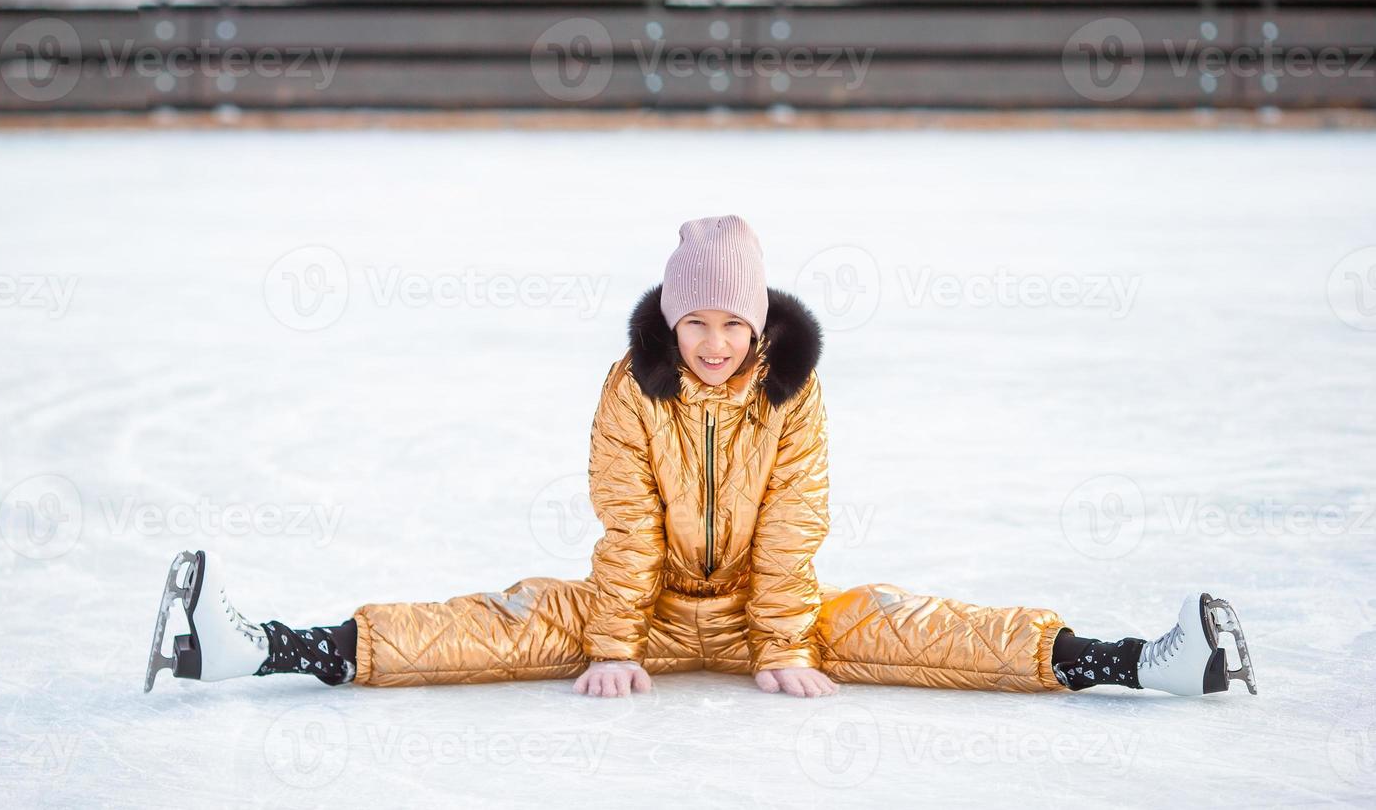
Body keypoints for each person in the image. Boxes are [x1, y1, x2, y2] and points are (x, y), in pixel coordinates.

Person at [144, 215, 1256, 700]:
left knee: (921, 621)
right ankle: (268, 649)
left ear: (760, 323)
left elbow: (795, 520)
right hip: (650, 605)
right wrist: (616, 638)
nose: (718, 345)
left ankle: (1127, 663)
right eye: (698, 326)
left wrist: (781, 638)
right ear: (672, 327)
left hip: (785, 609)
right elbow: (627, 524)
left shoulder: (793, 391)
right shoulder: (633, 390)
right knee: (503, 615)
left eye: (735, 324)